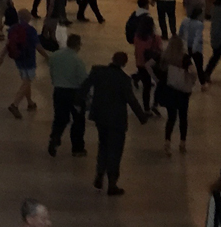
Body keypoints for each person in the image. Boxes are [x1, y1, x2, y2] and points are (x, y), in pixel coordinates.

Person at [84, 51, 148, 195]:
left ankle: (99, 174)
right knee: (115, 151)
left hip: (100, 117)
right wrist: (142, 117)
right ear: (124, 63)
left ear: (112, 59)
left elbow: (85, 86)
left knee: (103, 146)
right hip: (117, 121)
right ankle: (112, 183)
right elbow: (131, 100)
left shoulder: (98, 72)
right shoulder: (123, 79)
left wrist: (78, 102)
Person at [40, 33, 88, 157]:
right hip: (74, 93)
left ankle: (55, 138)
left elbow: (51, 70)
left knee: (60, 118)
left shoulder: (55, 56)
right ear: (77, 45)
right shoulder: (77, 60)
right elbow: (83, 79)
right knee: (78, 120)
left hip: (59, 91)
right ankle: (77, 148)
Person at [1, 9, 40, 118]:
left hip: (18, 59)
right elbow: (37, 46)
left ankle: (30, 103)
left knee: (25, 80)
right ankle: (15, 104)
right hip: (30, 59)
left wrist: (1, 57)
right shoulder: (31, 30)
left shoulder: (13, 29)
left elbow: (8, 44)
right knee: (27, 82)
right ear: (27, 18)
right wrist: (47, 56)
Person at [160, 43, 198, 155]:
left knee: (171, 118)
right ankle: (182, 143)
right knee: (183, 117)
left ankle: (167, 142)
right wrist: (192, 81)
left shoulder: (166, 57)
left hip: (170, 90)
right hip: (182, 92)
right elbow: (194, 71)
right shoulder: (185, 58)